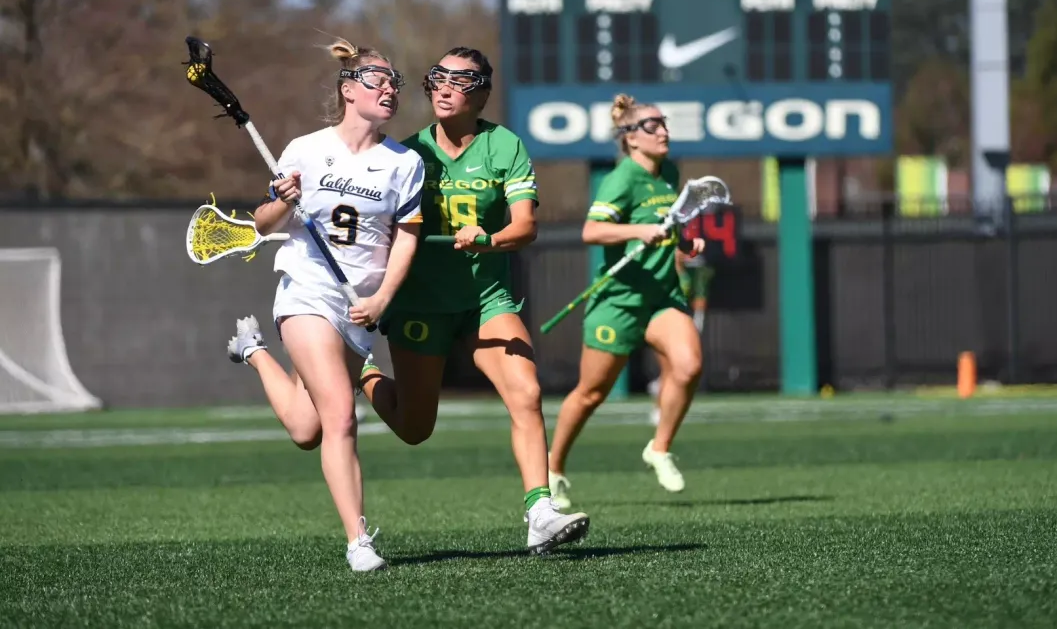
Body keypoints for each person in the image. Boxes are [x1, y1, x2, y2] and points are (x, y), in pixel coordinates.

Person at [357, 46, 590, 555]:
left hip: (486, 297)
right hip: (421, 304)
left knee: (526, 393)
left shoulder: (504, 146)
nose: (443, 87)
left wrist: (489, 238)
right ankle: (363, 374)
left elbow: (525, 225)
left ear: (482, 92)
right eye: (437, 76)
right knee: (416, 429)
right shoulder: (405, 153)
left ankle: (539, 512)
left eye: (459, 80)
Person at [224, 36, 424, 572]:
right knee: (340, 414)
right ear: (348, 88)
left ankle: (251, 352)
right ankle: (359, 542)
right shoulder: (304, 150)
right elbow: (262, 225)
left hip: (360, 309)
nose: (390, 90)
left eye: (394, 83)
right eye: (378, 81)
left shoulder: (405, 163)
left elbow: (406, 237)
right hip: (307, 291)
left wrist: (382, 297)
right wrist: (282, 203)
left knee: (307, 430)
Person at [547, 93, 706, 509]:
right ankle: (553, 468)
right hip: (618, 300)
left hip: (661, 296)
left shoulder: (669, 172)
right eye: (652, 126)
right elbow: (592, 232)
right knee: (591, 393)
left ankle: (659, 448)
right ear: (631, 138)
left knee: (688, 366)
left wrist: (687, 242)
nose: (664, 131)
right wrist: (637, 232)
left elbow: (669, 227)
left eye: (664, 123)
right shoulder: (621, 178)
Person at [647, 247, 713, 418]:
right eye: (679, 250)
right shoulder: (663, 273)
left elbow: (695, 299)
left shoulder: (687, 275)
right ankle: (658, 410)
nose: (684, 253)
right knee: (667, 368)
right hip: (662, 323)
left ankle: (668, 407)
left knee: (676, 369)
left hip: (678, 325)